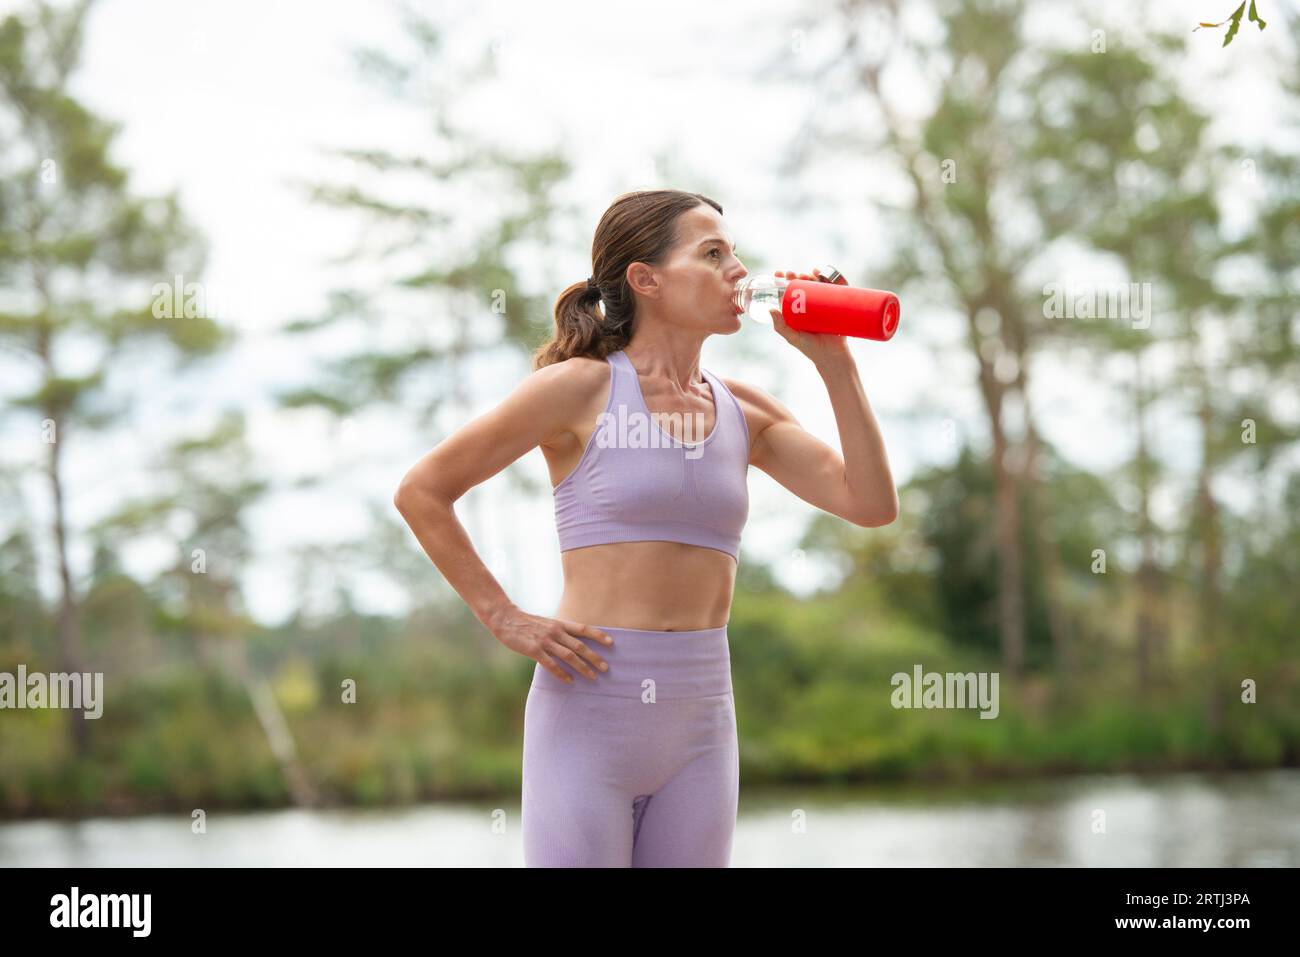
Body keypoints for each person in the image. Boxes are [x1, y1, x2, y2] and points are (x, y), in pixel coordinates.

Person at [393, 188, 899, 867]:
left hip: (701, 721)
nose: (738, 270)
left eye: (736, 252)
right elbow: (422, 490)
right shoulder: (578, 389)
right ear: (646, 279)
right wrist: (505, 617)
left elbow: (869, 502)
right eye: (712, 253)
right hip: (589, 714)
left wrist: (836, 364)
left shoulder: (745, 410)